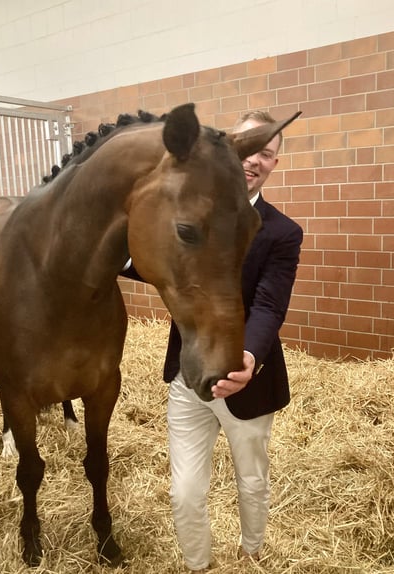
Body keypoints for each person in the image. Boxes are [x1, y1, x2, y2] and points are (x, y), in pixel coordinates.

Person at [124, 110, 303, 572]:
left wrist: (249, 357)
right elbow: (152, 261)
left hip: (246, 380)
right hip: (188, 373)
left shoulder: (282, 232)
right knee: (184, 491)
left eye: (266, 153)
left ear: (275, 164)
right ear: (227, 147)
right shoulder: (187, 211)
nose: (254, 160)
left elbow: (268, 305)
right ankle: (197, 564)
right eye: (246, 147)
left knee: (251, 481)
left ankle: (251, 554)